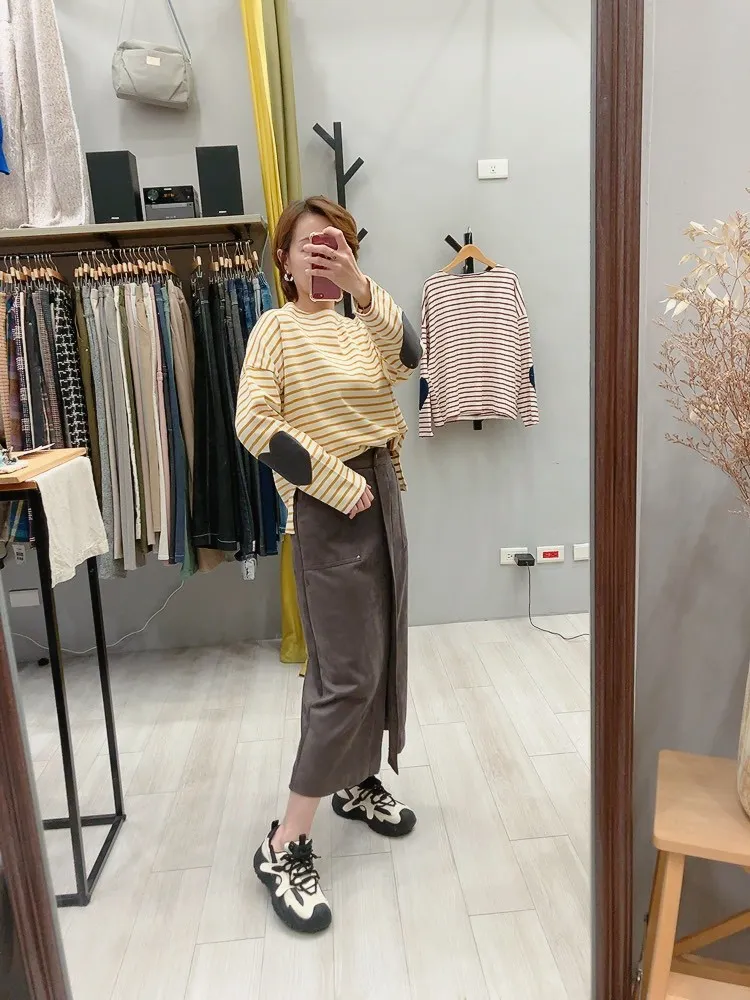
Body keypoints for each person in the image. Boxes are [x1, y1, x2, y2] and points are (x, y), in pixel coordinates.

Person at [235, 195, 422, 933]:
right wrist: (338, 485)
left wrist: (361, 288)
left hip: (384, 495)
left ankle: (356, 780)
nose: (323, 255)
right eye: (310, 245)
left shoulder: (357, 324)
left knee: (380, 655)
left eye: (336, 245)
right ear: (283, 259)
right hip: (329, 506)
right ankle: (285, 843)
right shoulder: (273, 329)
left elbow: (409, 358)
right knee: (344, 677)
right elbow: (254, 422)